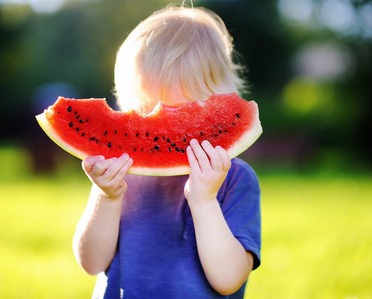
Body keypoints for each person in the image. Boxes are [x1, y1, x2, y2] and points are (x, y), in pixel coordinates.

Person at [72, 5, 261, 298]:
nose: (165, 126)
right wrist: (107, 198)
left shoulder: (236, 179)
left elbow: (228, 279)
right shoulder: (118, 173)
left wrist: (204, 199)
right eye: (147, 110)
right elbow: (92, 263)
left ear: (221, 101)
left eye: (186, 112)